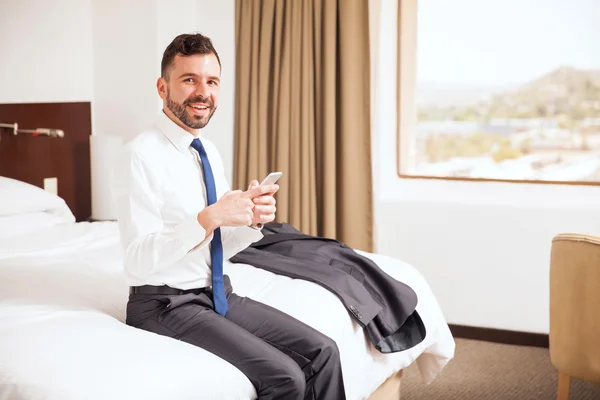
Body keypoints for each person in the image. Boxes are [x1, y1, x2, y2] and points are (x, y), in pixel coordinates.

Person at [111, 33, 346, 400]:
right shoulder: (138, 155)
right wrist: (208, 218)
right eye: (189, 79)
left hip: (216, 291)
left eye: (212, 81)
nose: (202, 92)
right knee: (286, 378)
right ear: (162, 87)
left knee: (325, 351)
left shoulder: (207, 151)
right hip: (162, 304)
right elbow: (137, 261)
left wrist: (251, 219)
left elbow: (218, 244)